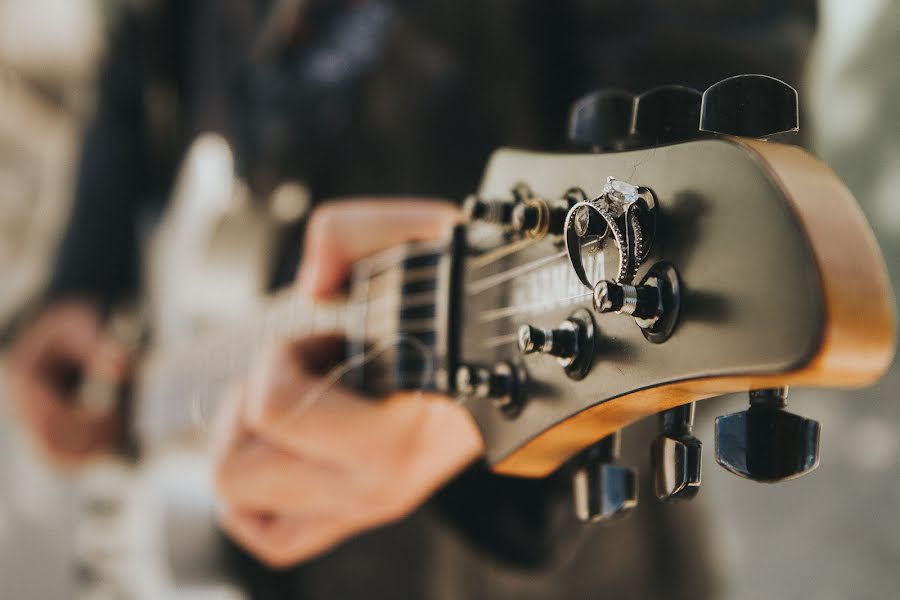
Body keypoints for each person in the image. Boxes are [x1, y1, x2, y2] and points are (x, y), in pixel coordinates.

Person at [5, 1, 817, 598]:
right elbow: (139, 48)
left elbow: (709, 176)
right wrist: (83, 275)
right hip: (218, 460)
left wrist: (465, 418)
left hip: (495, 553)